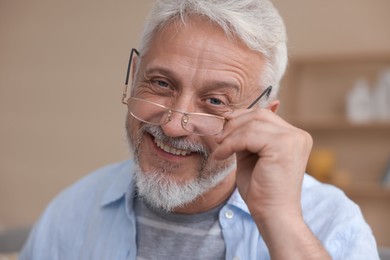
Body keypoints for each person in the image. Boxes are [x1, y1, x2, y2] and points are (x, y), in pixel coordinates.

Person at [21, 0, 379, 259]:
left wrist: (279, 221)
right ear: (133, 77)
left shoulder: (330, 223)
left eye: (216, 102)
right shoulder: (71, 212)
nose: (175, 125)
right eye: (161, 83)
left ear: (263, 118)